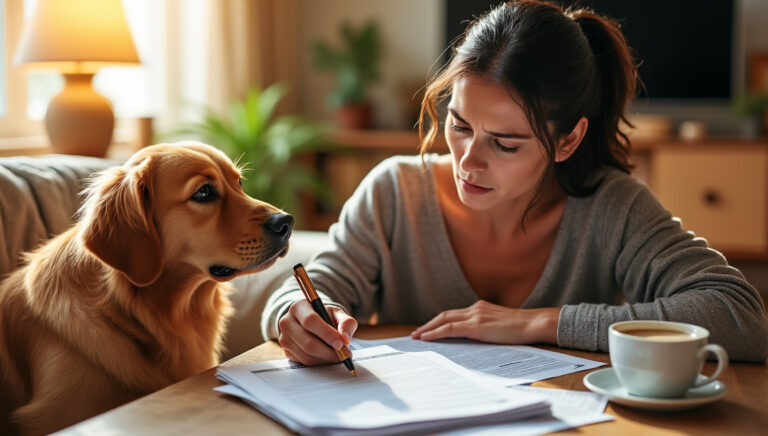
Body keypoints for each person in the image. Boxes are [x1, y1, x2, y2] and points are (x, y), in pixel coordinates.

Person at [261, 0, 768, 363]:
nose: (468, 161)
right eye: (460, 125)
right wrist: (302, 315)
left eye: (504, 144)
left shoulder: (612, 207)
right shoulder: (394, 192)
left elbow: (742, 317)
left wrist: (539, 322)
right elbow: (307, 291)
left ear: (568, 141)